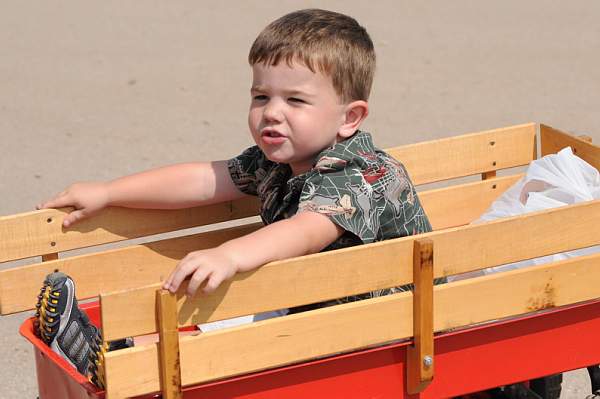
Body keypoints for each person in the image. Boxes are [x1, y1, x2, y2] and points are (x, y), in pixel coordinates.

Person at [35, 8, 432, 387]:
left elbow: (304, 232)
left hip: (382, 326)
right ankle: (111, 357)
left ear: (350, 118)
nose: (272, 113)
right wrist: (108, 192)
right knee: (237, 305)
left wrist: (228, 254)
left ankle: (115, 359)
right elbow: (205, 179)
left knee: (242, 302)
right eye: (261, 97)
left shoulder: (359, 173)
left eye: (295, 100)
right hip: (311, 300)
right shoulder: (277, 160)